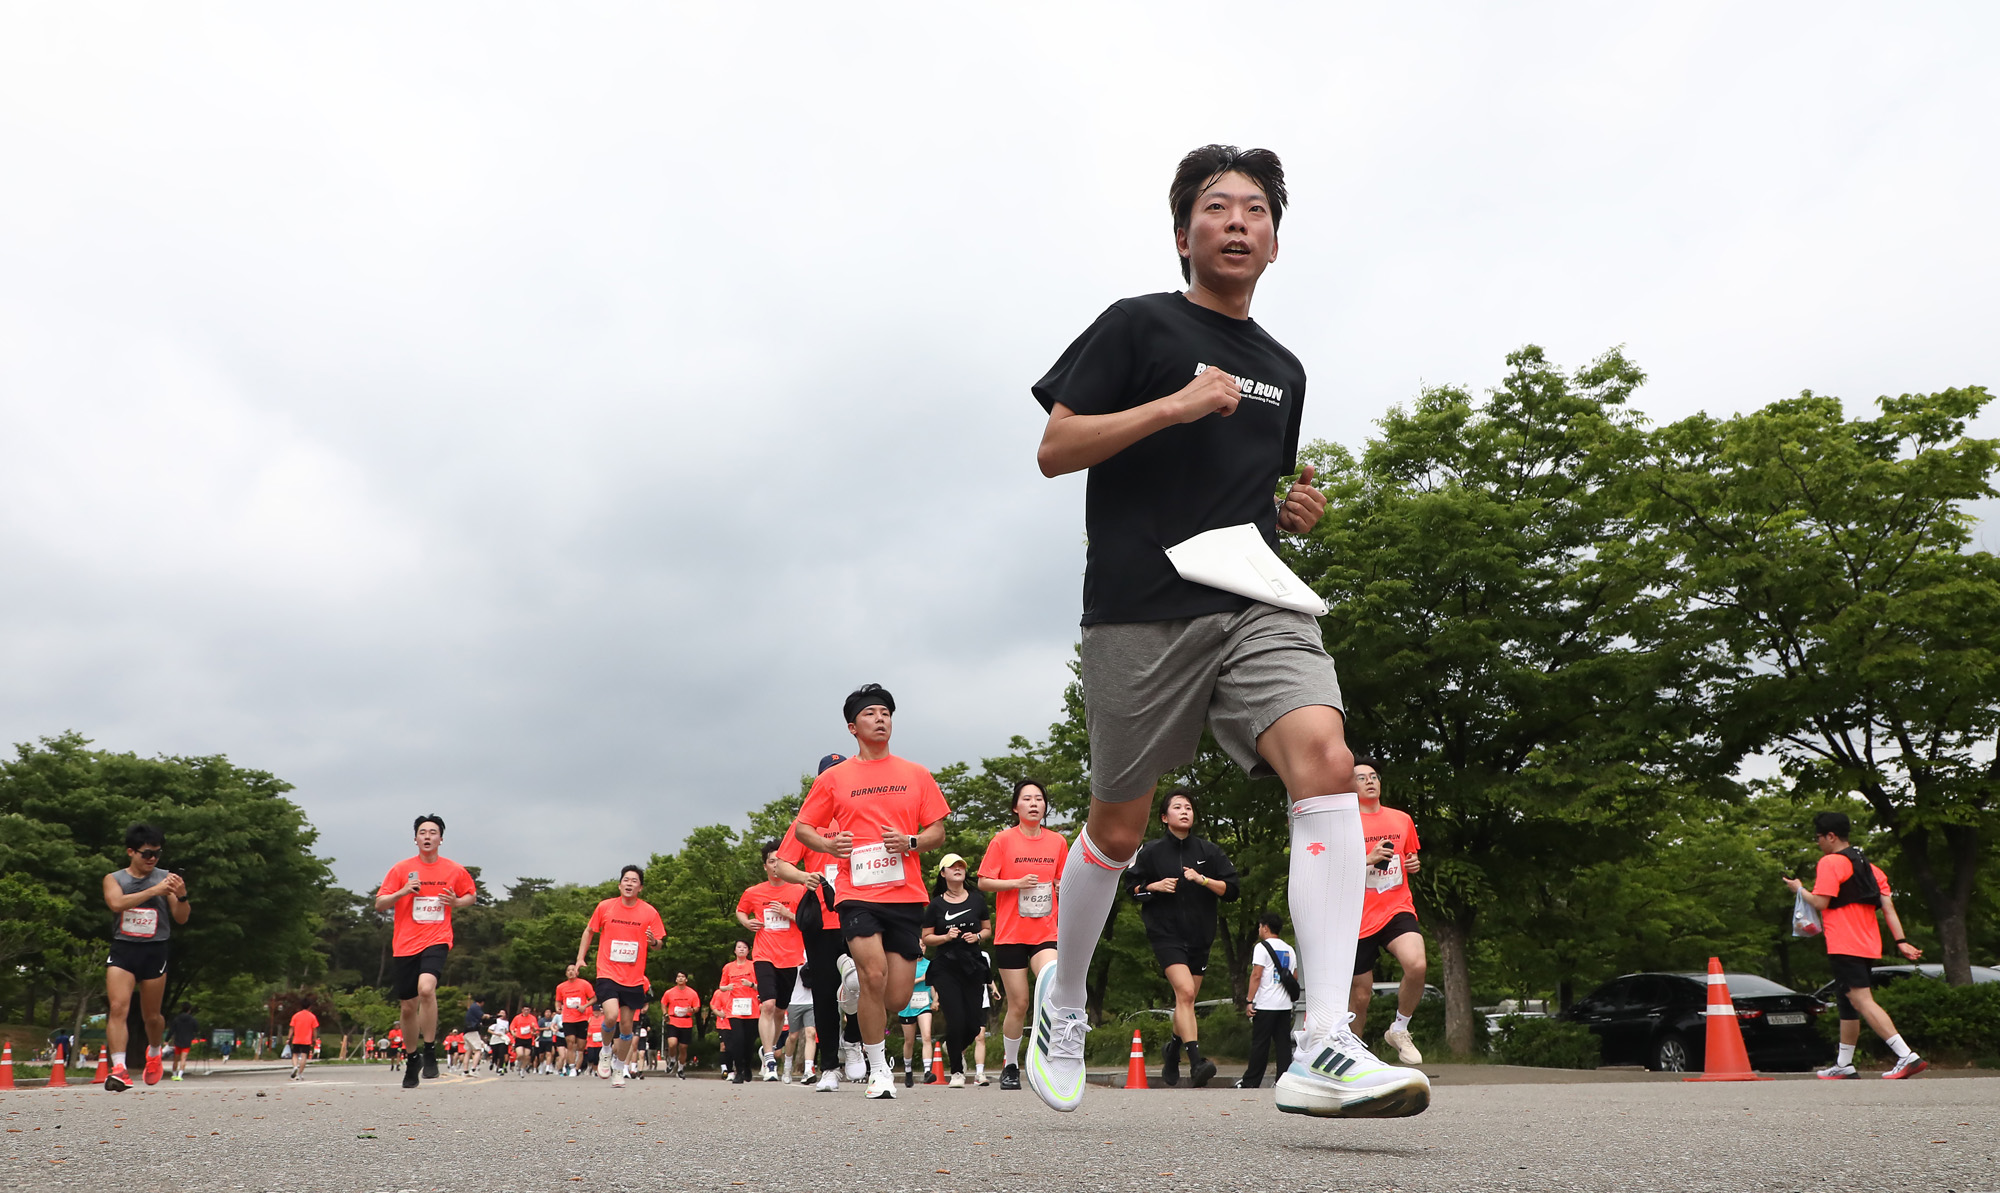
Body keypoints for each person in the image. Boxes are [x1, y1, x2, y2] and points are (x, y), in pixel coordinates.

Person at [1026, 143, 1429, 1118]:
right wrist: (1171, 403)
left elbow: (1244, 485)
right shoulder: (1136, 326)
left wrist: (1284, 512)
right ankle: (1065, 997)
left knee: (1326, 757)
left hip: (1251, 595)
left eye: (1254, 208)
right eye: (1217, 206)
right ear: (1182, 234)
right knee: (1118, 825)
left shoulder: (1283, 369)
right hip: (1139, 602)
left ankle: (1323, 1038)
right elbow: (1054, 448)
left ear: (1275, 241)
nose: (1237, 220)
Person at [789, 684, 953, 1099]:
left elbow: (937, 830)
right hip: (856, 893)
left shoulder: (915, 774)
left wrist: (911, 842)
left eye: (886, 713)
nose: (881, 719)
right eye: (871, 714)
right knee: (872, 973)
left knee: (895, 997)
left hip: (905, 894)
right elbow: (804, 827)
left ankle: (854, 1000)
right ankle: (878, 1069)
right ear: (852, 727)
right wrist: (828, 845)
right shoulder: (835, 779)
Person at [1784, 812, 1927, 1079]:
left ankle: (1906, 1055)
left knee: (1861, 1000)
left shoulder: (1831, 863)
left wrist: (1799, 889)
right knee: (1847, 1000)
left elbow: (1820, 902)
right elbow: (1889, 908)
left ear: (1831, 836)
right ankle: (1844, 1065)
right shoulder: (1871, 868)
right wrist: (1901, 941)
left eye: (1818, 837)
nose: (1818, 843)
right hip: (1868, 943)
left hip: (1844, 942)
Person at [1128, 788, 1240, 1087]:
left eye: (1188, 807)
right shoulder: (1150, 851)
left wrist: (1202, 879)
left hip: (1200, 936)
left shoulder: (1209, 851)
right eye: (1177, 807)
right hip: (1165, 934)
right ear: (1165, 817)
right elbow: (1132, 889)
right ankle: (1197, 1062)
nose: (1185, 811)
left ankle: (1172, 1049)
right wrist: (1155, 885)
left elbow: (1232, 891)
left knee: (1185, 1000)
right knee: (1186, 993)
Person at [374, 815, 477, 1089]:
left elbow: (471, 895)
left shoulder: (454, 869)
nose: (428, 836)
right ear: (416, 838)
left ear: (441, 839)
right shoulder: (401, 869)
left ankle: (430, 1049)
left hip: (437, 938)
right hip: (405, 944)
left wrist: (456, 901)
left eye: (433, 832)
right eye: (423, 832)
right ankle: (412, 1058)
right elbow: (380, 904)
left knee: (427, 989)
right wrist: (403, 892)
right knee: (407, 1007)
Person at [772, 752, 854, 1091]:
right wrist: (804, 876)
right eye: (828, 775)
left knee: (867, 982)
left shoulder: (860, 814)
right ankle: (830, 1067)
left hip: (858, 913)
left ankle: (855, 1040)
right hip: (821, 921)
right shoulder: (804, 823)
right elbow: (782, 864)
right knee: (823, 992)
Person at [977, 780, 1066, 1091]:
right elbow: (984, 882)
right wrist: (1016, 883)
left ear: (1045, 806)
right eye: (1026, 799)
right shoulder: (1002, 841)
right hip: (1012, 933)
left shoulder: (1057, 842)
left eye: (1039, 799)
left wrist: (1058, 886)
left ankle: (1048, 1056)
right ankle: (1011, 1064)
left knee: (1051, 985)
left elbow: (1062, 880)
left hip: (1046, 931)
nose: (1033, 803)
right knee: (1019, 1003)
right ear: (1016, 807)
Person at [1346, 759, 1426, 1064]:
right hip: (1357, 916)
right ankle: (1353, 1054)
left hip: (1396, 907)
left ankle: (1400, 1029)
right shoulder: (1345, 824)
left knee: (1416, 965)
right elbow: (1333, 869)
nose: (1369, 781)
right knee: (1362, 996)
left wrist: (1413, 864)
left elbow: (1411, 858)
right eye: (1362, 777)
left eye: (1374, 776)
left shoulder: (1401, 819)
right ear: (1350, 786)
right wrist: (1367, 859)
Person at [100, 823, 191, 1091]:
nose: (152, 859)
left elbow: (181, 918)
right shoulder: (115, 879)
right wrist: (154, 891)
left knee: (152, 1016)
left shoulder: (169, 878)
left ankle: (154, 1051)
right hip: (123, 949)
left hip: (155, 950)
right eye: (147, 853)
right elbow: (116, 904)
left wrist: (182, 895)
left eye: (157, 853)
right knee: (118, 1008)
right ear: (131, 852)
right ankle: (119, 1068)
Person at [576, 865, 666, 1088]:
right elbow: (589, 931)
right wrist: (580, 958)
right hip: (607, 972)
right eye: (626, 880)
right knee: (610, 1015)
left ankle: (619, 1067)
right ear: (619, 884)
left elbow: (660, 944)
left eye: (634, 881)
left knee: (626, 1027)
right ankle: (606, 1051)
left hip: (634, 978)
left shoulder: (649, 912)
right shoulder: (605, 907)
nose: (629, 884)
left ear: (640, 887)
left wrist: (653, 941)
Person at [736, 842, 809, 1081]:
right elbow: (741, 911)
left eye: (780, 860)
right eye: (771, 861)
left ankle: (770, 1048)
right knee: (767, 1005)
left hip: (789, 957)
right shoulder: (754, 892)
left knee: (780, 1010)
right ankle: (769, 1058)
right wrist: (747, 923)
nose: (776, 865)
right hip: (764, 954)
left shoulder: (798, 890)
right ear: (765, 865)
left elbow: (809, 922)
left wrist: (789, 914)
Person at [922, 853, 991, 1088]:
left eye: (961, 865)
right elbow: (926, 938)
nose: (958, 869)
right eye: (952, 867)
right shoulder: (935, 905)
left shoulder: (976, 900)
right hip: (946, 967)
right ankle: (957, 1072)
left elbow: (988, 929)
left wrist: (978, 936)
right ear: (943, 874)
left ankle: (953, 1046)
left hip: (971, 965)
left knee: (973, 1024)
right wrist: (945, 937)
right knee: (955, 1019)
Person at [1240, 913, 1298, 1088]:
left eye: (1259, 926)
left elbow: (1256, 975)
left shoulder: (1261, 947)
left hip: (1266, 1004)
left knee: (1260, 1044)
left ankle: (1251, 1081)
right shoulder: (1289, 949)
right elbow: (1293, 976)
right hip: (1284, 1005)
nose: (1259, 930)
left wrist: (1249, 1000)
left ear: (1265, 927)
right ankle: (1283, 1081)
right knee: (1283, 1046)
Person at [720, 940, 759, 1082]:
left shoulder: (754, 965)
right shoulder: (728, 967)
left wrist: (751, 984)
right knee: (737, 1040)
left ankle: (747, 1066)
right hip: (734, 1008)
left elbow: (761, 986)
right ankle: (739, 1071)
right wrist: (727, 987)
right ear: (734, 951)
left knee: (749, 1042)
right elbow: (721, 986)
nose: (741, 950)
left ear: (748, 951)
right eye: (739, 947)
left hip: (751, 1008)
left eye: (744, 947)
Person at [897, 956, 936, 1087]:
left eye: (924, 945)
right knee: (909, 1041)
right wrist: (921, 979)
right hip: (907, 1005)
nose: (921, 948)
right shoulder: (905, 964)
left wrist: (936, 999)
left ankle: (927, 1071)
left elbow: (933, 984)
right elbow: (902, 984)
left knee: (927, 1036)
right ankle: (908, 1070)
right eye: (919, 945)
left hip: (924, 1004)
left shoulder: (929, 964)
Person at [552, 963, 594, 1076]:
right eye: (568, 970)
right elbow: (558, 1000)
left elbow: (594, 998)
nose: (571, 972)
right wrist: (557, 1007)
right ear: (566, 973)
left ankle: (577, 1066)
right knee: (570, 1043)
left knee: (580, 1046)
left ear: (577, 972)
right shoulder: (561, 987)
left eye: (573, 970)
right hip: (568, 1018)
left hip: (581, 1017)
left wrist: (585, 1006)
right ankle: (572, 1068)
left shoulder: (584, 984)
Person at [782, 963, 816, 1083]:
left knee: (811, 1033)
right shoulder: (792, 954)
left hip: (811, 1000)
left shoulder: (813, 952)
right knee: (793, 1036)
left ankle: (808, 1070)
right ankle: (787, 1066)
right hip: (794, 1001)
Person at [662, 973, 700, 1077]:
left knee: (683, 1047)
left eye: (683, 977)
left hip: (686, 1022)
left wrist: (692, 1010)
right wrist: (665, 1014)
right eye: (678, 977)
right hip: (673, 1020)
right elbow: (663, 1003)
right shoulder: (669, 992)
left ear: (686, 979)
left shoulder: (692, 993)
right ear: (676, 979)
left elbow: (697, 1007)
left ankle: (680, 1068)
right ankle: (672, 1060)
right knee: (672, 1043)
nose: (680, 978)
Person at [168, 1003, 199, 1081]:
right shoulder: (192, 1019)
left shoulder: (177, 1019)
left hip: (178, 1040)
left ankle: (174, 1074)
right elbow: (196, 1029)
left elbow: (171, 1030)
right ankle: (180, 1075)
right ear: (189, 1010)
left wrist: (166, 1039)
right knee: (183, 1059)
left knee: (175, 1059)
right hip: (187, 1041)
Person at [288, 1002, 319, 1081]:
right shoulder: (312, 1017)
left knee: (295, 1055)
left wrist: (289, 1038)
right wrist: (315, 1038)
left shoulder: (296, 1016)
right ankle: (299, 1073)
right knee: (304, 1056)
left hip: (296, 1039)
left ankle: (295, 1067)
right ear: (309, 1007)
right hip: (306, 1039)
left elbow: (292, 1028)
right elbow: (314, 1029)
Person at [709, 982, 734, 1077]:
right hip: (724, 1024)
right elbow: (714, 1006)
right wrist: (718, 1013)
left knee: (736, 1047)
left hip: (737, 1023)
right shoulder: (719, 992)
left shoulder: (740, 991)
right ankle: (725, 1068)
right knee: (724, 1046)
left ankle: (738, 1067)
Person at [510, 1006, 540, 1078]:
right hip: (519, 1038)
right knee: (520, 1054)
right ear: (522, 1010)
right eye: (525, 1010)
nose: (526, 1011)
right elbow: (512, 1026)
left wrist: (534, 1030)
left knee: (527, 1056)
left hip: (528, 1038)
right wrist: (513, 1033)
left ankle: (522, 1069)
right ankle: (518, 1062)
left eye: (528, 1010)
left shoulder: (532, 1018)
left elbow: (536, 1028)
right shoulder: (517, 1018)